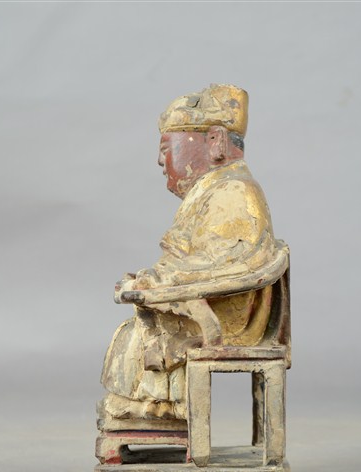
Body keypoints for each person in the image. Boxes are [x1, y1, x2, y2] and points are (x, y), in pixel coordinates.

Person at [99, 84, 283, 427]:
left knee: (140, 335)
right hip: (205, 301)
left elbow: (227, 265)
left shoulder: (234, 190)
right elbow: (202, 260)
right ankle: (155, 408)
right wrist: (153, 279)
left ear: (214, 141)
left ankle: (158, 413)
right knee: (134, 330)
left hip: (221, 313)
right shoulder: (217, 189)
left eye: (166, 148)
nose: (160, 161)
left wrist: (161, 282)